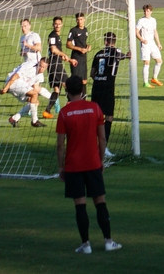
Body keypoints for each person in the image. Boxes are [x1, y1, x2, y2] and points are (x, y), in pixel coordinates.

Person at [56, 75, 122, 254]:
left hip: (73, 165)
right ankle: (108, 241)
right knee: (100, 201)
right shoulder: (95, 108)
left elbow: (60, 145)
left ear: (67, 91)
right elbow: (102, 138)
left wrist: (61, 167)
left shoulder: (64, 113)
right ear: (82, 90)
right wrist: (100, 160)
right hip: (92, 163)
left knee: (80, 204)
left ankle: (86, 245)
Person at [90, 32, 129, 158]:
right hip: (107, 88)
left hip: (96, 87)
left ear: (105, 41)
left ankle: (90, 145)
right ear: (114, 41)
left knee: (95, 117)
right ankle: (103, 147)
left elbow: (92, 73)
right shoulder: (116, 52)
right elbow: (123, 56)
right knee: (109, 116)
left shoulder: (98, 54)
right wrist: (128, 55)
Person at [0, 55, 47, 128]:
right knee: (34, 94)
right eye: (40, 66)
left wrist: (50, 97)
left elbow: (35, 87)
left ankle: (14, 118)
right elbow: (15, 76)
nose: (41, 68)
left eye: (43, 67)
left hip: (22, 86)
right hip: (14, 81)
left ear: (46, 68)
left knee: (35, 102)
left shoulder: (40, 76)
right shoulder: (29, 66)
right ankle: (34, 121)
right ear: (38, 63)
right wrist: (6, 88)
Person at [43, 17, 72, 119]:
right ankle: (70, 107)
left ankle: (47, 111)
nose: (57, 25)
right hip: (55, 65)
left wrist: (62, 56)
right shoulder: (53, 35)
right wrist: (64, 54)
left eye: (59, 24)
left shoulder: (57, 36)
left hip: (54, 64)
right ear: (53, 25)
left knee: (57, 89)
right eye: (56, 24)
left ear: (62, 24)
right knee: (68, 84)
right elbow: (53, 49)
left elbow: (56, 51)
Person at [136, 4, 164, 88]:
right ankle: (145, 83)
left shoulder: (153, 20)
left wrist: (158, 43)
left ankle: (154, 78)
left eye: (148, 11)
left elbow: (155, 32)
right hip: (145, 44)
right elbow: (136, 32)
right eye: (145, 11)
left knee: (159, 61)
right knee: (146, 62)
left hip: (152, 43)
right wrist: (142, 39)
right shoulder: (141, 21)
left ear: (151, 11)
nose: (146, 13)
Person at [67, 13, 91, 85]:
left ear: (84, 19)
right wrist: (79, 49)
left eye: (81, 19)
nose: (79, 21)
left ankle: (83, 93)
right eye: (78, 20)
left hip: (84, 57)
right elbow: (68, 44)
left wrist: (88, 46)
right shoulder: (73, 30)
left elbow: (83, 42)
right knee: (76, 80)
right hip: (76, 57)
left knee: (84, 81)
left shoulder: (85, 30)